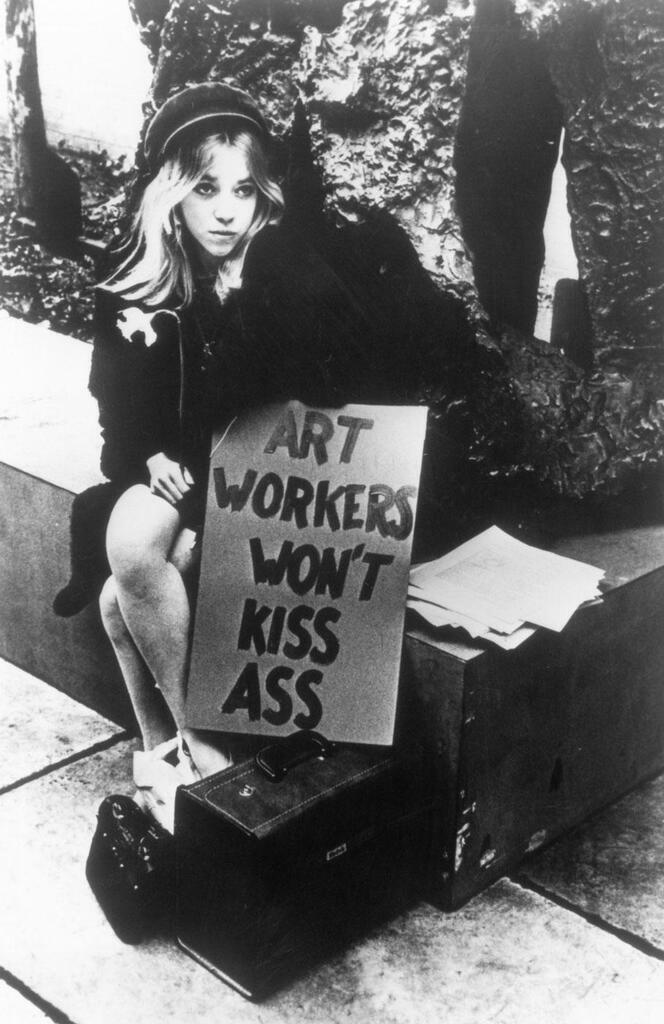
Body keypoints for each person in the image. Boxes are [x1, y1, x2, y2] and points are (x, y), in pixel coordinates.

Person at [87, 81, 476, 826]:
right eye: (205, 188)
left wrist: (252, 299)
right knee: (131, 544)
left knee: (118, 597)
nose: (226, 211)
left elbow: (326, 394)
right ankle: (200, 746)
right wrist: (147, 455)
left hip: (262, 477)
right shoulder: (135, 277)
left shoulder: (281, 268)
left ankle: (169, 753)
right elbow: (117, 415)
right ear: (171, 191)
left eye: (243, 189)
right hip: (180, 468)